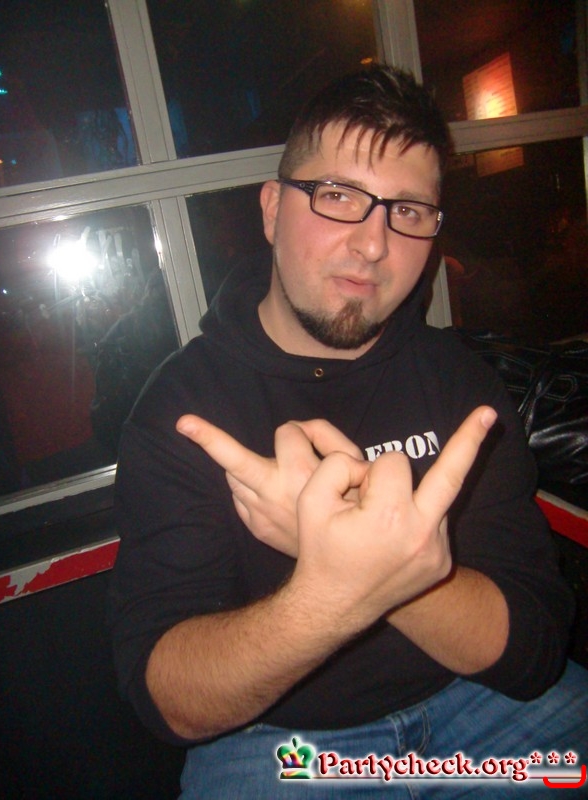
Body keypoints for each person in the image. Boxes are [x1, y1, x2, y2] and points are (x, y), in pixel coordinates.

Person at [109, 64, 588, 797]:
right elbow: (170, 698)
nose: (373, 244)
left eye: (409, 211)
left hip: (483, 705)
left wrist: (363, 566)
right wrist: (330, 596)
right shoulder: (183, 407)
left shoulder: (458, 380)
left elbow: (534, 651)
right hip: (279, 746)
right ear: (273, 210)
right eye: (338, 196)